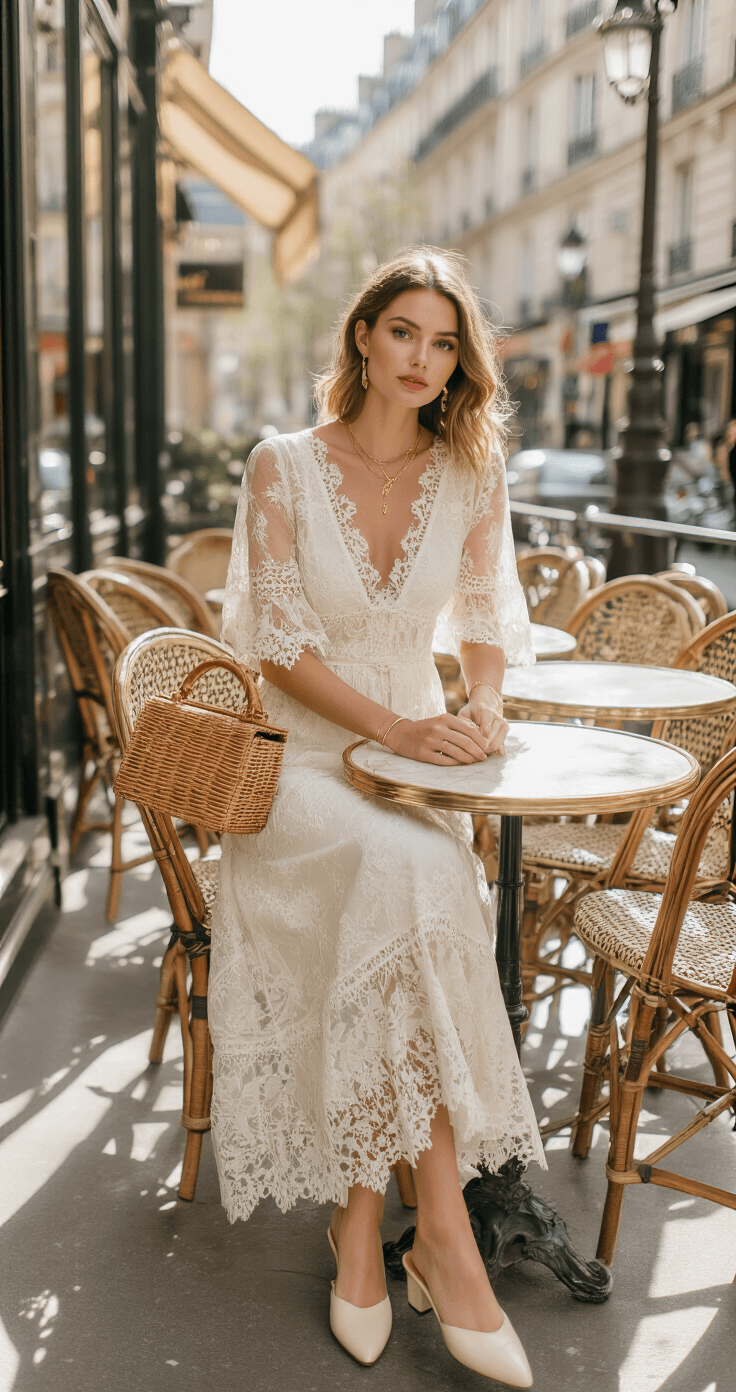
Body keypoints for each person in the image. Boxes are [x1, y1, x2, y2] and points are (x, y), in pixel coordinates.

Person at [210, 247, 543, 1387]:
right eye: (404, 331)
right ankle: (442, 1243)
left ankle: (364, 1224)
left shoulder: (470, 468)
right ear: (363, 337)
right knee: (426, 881)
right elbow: (282, 647)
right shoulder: (282, 466)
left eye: (444, 342)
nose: (422, 357)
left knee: (416, 874)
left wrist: (484, 701)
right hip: (308, 770)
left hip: (414, 773)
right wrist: (397, 732)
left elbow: (489, 614)